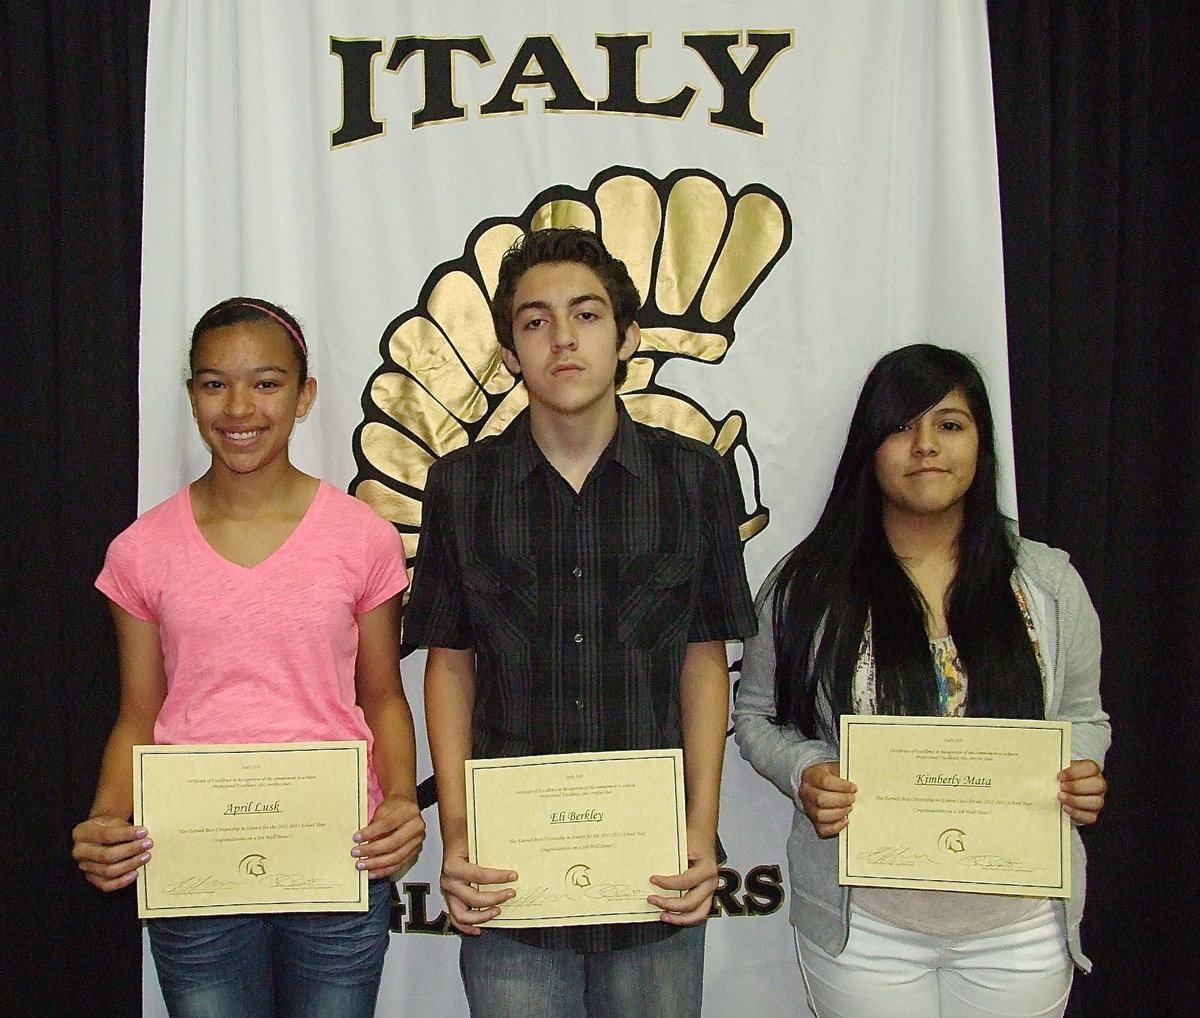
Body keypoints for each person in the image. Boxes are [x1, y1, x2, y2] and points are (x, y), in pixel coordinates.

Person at [404, 227, 756, 1017]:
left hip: (656, 875)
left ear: (627, 337)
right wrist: (458, 834)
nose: (562, 338)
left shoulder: (694, 478)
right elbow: (450, 665)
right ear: (509, 353)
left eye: (587, 315)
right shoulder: (461, 486)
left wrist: (700, 827)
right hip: (508, 878)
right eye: (535, 321)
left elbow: (704, 660)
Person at [71, 297, 425, 1018]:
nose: (239, 408)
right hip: (193, 863)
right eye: (214, 384)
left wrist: (398, 801)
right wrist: (108, 817)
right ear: (191, 394)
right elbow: (139, 713)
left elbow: (383, 695)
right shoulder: (141, 551)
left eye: (266, 383)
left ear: (305, 395)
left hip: (339, 854)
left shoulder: (361, 537)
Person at [733, 344, 1109, 1018]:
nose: (926, 446)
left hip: (1020, 924)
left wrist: (1080, 767)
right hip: (864, 929)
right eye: (902, 426)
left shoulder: (1048, 584)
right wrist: (807, 770)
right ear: (869, 447)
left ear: (981, 444)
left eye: (950, 425)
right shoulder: (806, 585)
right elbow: (756, 714)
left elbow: (1085, 714)